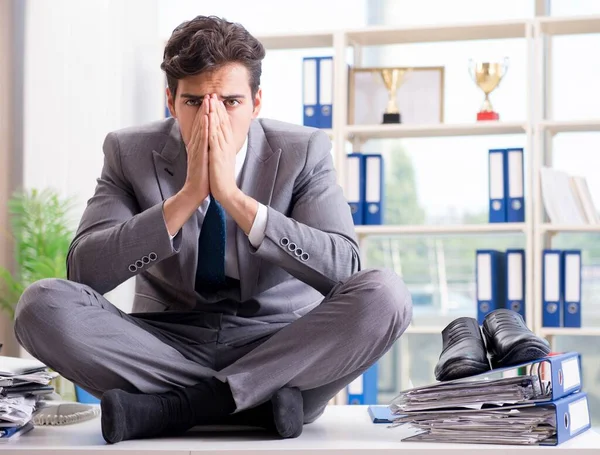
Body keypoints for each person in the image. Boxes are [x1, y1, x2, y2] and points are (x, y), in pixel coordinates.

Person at [14, 15, 412, 444]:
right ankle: (252, 405)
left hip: (279, 346)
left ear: (256, 103)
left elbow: (344, 270)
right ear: (170, 100)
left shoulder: (303, 150)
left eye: (230, 102)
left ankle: (182, 406)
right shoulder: (128, 151)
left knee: (385, 294)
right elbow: (84, 272)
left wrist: (237, 201)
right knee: (41, 305)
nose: (212, 116)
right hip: (163, 344)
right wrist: (185, 198)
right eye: (194, 102)